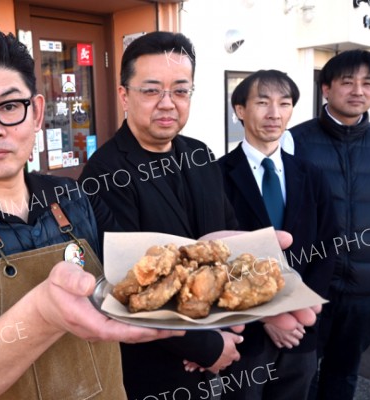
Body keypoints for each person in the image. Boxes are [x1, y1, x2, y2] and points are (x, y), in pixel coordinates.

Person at [0, 27, 184, 400]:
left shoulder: (74, 195)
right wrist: (42, 316)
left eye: (9, 107)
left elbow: (137, 276)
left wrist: (198, 256)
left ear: (36, 112)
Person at [79, 31, 320, 400]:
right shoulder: (103, 173)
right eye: (151, 90)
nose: (167, 103)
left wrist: (259, 303)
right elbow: (122, 286)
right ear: (124, 95)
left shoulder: (200, 154)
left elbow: (227, 239)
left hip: (222, 351)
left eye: (180, 90)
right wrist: (204, 346)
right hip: (156, 366)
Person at [217, 70, 337, 400]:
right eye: (262, 102)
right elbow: (217, 257)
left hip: (301, 330)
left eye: (284, 104)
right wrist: (265, 317)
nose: (274, 113)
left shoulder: (310, 175)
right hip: (248, 334)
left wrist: (297, 312)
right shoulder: (215, 176)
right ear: (240, 110)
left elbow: (328, 246)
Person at [289, 49, 370, 400]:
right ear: (326, 89)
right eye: (348, 82)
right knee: (297, 373)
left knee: (344, 375)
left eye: (368, 83)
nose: (358, 91)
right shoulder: (294, 142)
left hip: (367, 291)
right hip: (312, 289)